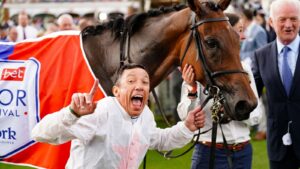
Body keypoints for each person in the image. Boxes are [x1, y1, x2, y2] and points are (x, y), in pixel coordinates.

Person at [31, 63, 205, 169]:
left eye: (145, 82)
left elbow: (159, 139)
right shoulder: (100, 111)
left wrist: (186, 127)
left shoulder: (145, 114)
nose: (139, 86)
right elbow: (39, 133)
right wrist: (72, 113)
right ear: (116, 91)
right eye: (131, 81)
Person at [177, 13, 263, 169]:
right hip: (209, 150)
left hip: (242, 150)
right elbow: (185, 117)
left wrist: (235, 111)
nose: (242, 37)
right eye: (238, 31)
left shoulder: (244, 69)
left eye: (243, 31)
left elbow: (256, 116)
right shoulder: (199, 71)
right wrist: (192, 89)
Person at [252, 0, 300, 168]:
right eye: (282, 19)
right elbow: (251, 94)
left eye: (294, 19)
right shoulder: (260, 56)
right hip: (278, 143)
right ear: (271, 22)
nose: (288, 25)